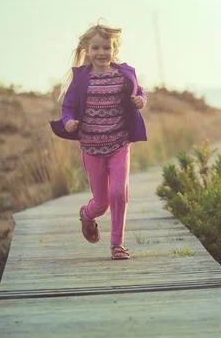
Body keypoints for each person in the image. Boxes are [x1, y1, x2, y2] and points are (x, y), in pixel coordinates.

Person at [49, 21, 147, 260]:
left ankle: (117, 245)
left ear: (114, 49)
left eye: (106, 47)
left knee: (118, 193)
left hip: (119, 143)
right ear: (87, 50)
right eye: (96, 48)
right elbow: (68, 106)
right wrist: (69, 120)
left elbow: (140, 91)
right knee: (101, 203)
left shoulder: (124, 73)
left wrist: (141, 100)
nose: (101, 53)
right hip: (91, 147)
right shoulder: (81, 79)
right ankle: (87, 214)